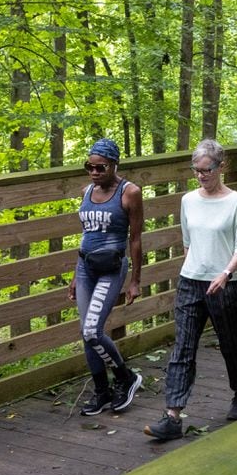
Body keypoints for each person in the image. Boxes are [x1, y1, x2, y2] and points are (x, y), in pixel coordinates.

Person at [144, 139, 237, 441]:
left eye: (206, 170)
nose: (201, 176)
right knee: (183, 347)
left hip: (225, 283)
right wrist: (197, 268)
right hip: (191, 280)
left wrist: (225, 273)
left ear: (221, 167)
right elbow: (187, 242)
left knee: (231, 344)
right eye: (196, 171)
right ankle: (172, 415)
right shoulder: (189, 200)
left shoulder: (236, 202)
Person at [68, 138, 144, 416]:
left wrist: (135, 280)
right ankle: (102, 392)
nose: (94, 172)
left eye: (100, 167)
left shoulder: (129, 192)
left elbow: (135, 239)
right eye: (89, 166)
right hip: (85, 268)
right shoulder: (87, 191)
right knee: (86, 333)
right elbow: (86, 234)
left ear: (114, 165)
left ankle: (126, 377)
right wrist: (75, 275)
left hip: (111, 268)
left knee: (92, 330)